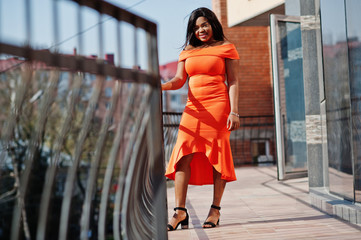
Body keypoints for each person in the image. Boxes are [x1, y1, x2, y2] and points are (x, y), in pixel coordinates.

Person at [161, 7, 240, 231]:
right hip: (193, 110)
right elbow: (178, 80)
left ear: (212, 24)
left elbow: (233, 81)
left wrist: (234, 112)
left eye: (204, 25)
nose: (201, 30)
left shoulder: (226, 48)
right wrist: (161, 86)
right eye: (196, 28)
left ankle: (215, 210)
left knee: (218, 156)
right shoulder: (187, 51)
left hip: (218, 108)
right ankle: (179, 211)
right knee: (182, 155)